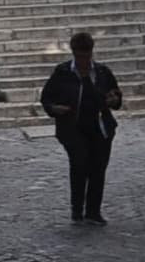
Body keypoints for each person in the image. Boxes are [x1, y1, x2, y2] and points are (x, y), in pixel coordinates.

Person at [41, 30, 122, 224]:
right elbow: (47, 98)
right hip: (72, 128)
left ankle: (93, 211)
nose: (83, 60)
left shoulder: (103, 73)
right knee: (79, 164)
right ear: (74, 53)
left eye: (86, 56)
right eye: (79, 56)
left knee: (98, 168)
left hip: (100, 127)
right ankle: (77, 209)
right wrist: (54, 108)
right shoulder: (62, 72)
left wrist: (114, 100)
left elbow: (116, 97)